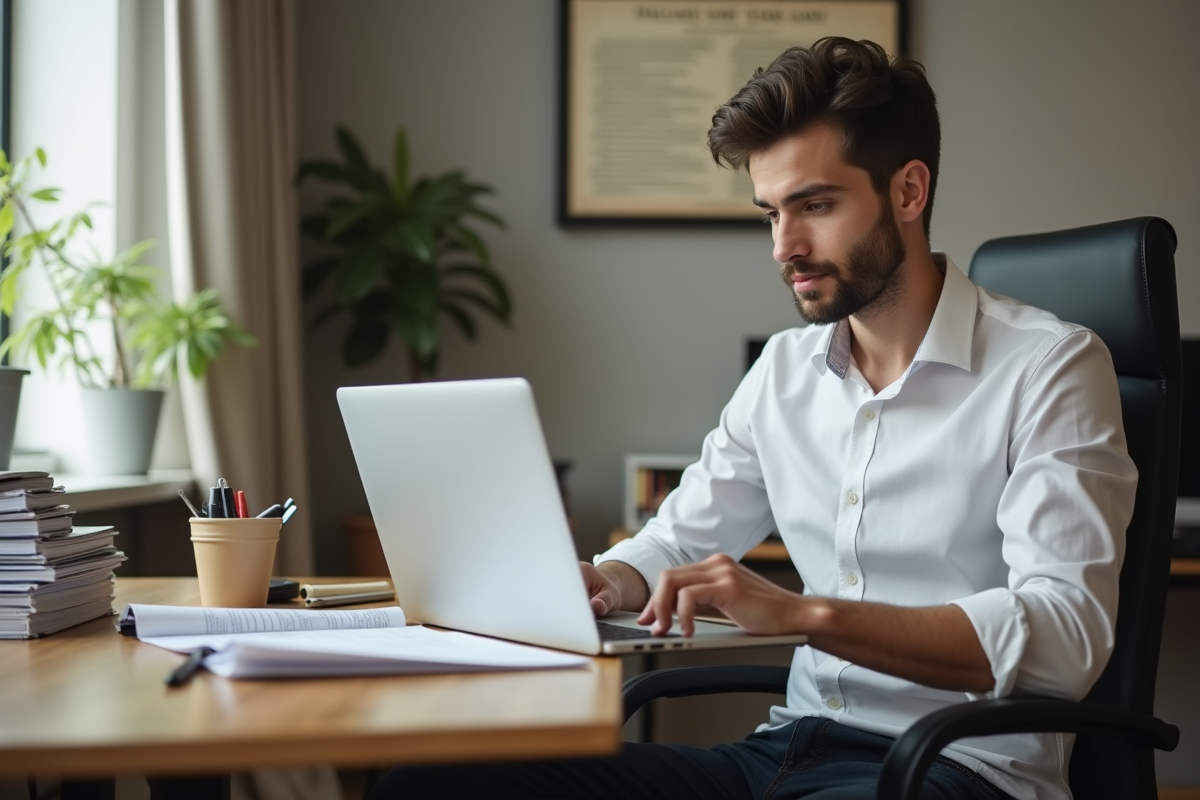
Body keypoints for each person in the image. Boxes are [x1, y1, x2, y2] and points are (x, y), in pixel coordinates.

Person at [368, 36, 1135, 800]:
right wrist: (607, 583)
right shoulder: (783, 373)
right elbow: (678, 538)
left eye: (816, 206)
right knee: (430, 785)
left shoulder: (1051, 369)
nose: (785, 247)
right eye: (770, 213)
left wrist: (807, 614)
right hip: (783, 752)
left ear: (908, 192)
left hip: (955, 769)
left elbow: (1064, 635)